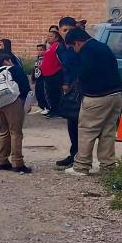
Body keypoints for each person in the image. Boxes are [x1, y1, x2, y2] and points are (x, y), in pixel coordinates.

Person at [63, 27, 122, 177]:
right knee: (107, 132)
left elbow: (84, 73)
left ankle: (81, 166)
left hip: (97, 96)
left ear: (77, 42)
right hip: (115, 95)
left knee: (87, 131)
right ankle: (108, 165)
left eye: (72, 47)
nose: (73, 50)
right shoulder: (102, 46)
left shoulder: (87, 51)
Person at [0, 42, 33, 173]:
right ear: (6, 61)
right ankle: (18, 162)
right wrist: (26, 103)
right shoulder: (14, 69)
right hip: (13, 102)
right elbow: (25, 87)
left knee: (4, 131)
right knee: (16, 132)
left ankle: (1, 159)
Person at [55, 17, 82, 168]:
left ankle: (79, 156)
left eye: (70, 30)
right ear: (59, 31)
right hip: (68, 87)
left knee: (79, 123)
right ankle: (74, 153)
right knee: (71, 122)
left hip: (78, 87)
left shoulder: (77, 46)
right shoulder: (60, 48)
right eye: (64, 30)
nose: (67, 34)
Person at [38, 28, 64, 116]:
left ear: (56, 38)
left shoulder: (58, 46)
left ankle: (56, 111)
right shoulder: (50, 47)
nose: (48, 38)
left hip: (55, 73)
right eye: (48, 36)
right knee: (49, 93)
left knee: (55, 93)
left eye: (51, 36)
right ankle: (52, 109)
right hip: (47, 74)